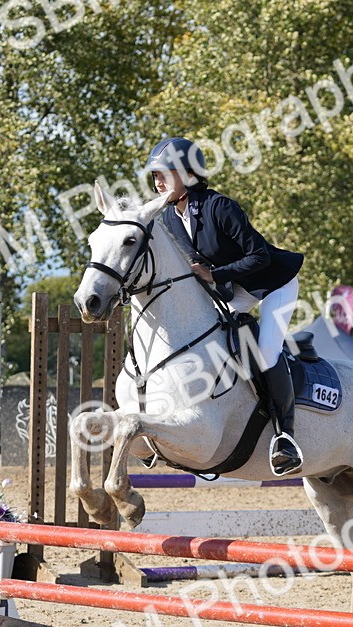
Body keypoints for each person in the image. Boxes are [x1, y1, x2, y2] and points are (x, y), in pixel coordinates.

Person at [145, 137, 305, 475]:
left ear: (189, 175)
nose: (158, 182)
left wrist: (214, 274)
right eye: (155, 176)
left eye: (165, 174)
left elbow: (259, 255)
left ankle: (285, 438)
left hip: (274, 282)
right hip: (235, 289)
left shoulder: (220, 207)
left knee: (264, 352)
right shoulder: (169, 219)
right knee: (216, 341)